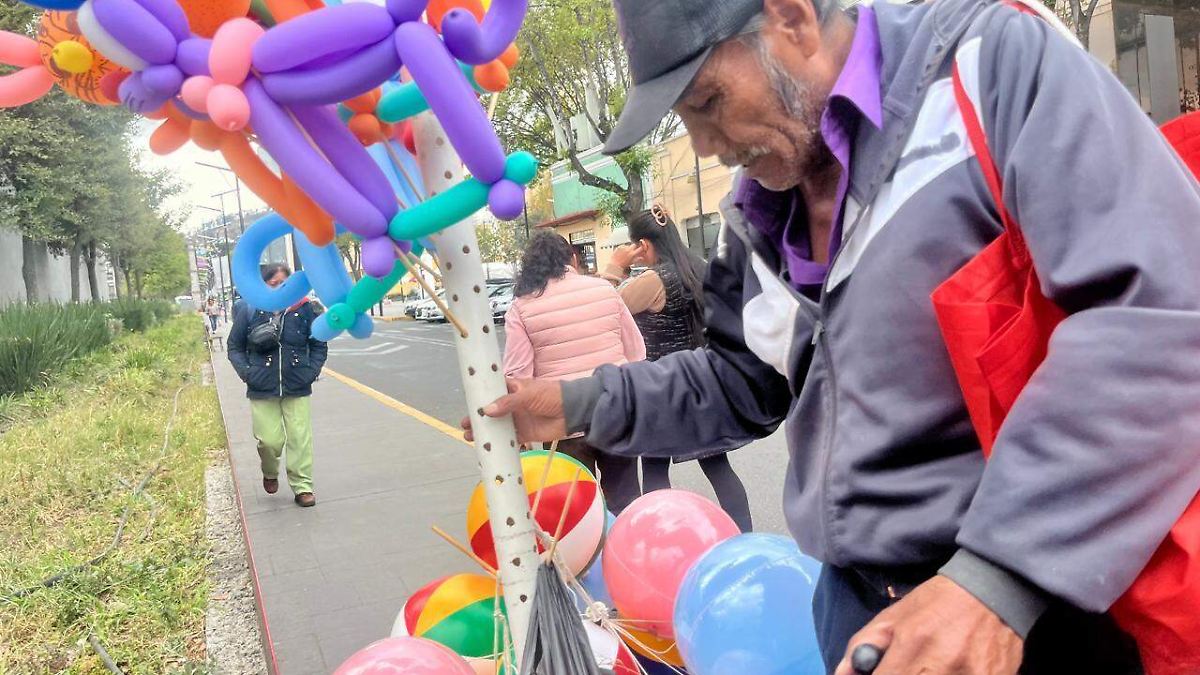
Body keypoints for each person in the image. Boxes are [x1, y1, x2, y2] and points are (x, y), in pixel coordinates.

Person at [463, 0, 1200, 672]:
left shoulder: (988, 69)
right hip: (857, 606)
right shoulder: (759, 213)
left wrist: (997, 579)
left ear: (791, 19)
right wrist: (575, 400)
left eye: (709, 103)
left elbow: (1155, 310)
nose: (709, 145)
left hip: (1021, 611)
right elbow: (737, 380)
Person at [603, 206, 753, 533]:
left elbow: (606, 307)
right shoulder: (700, 268)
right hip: (704, 383)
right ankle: (745, 539)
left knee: (655, 472)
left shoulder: (653, 280)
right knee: (719, 468)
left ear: (643, 244)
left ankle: (665, 543)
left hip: (662, 389)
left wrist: (616, 267)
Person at [503, 232, 647, 513]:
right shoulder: (604, 290)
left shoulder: (521, 308)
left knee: (576, 511)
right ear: (572, 258)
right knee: (626, 501)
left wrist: (521, 433)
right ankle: (626, 552)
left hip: (561, 423)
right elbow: (636, 353)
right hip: (615, 412)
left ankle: (587, 555)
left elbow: (517, 376)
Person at [228, 264, 328, 508]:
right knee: (269, 441)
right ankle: (270, 471)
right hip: (261, 386)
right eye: (273, 283)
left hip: (297, 384)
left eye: (284, 283)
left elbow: (319, 344)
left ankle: (302, 486)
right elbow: (234, 347)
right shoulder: (250, 309)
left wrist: (311, 371)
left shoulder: (306, 308)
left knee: (300, 439)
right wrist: (247, 373)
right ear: (263, 285)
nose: (279, 288)